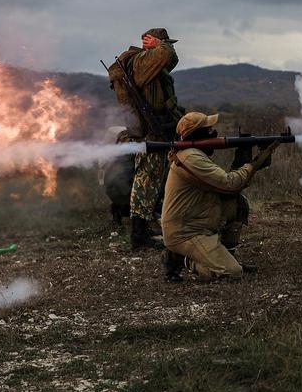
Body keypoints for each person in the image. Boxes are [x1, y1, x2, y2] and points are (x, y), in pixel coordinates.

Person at [161, 112, 277, 282]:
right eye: (208, 130)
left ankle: (227, 257)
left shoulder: (194, 153)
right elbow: (230, 184)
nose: (214, 133)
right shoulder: (190, 157)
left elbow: (225, 189)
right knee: (233, 273)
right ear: (196, 135)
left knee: (237, 203)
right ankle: (182, 259)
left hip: (197, 220)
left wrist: (243, 163)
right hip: (185, 232)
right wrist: (254, 164)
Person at [108, 28, 185, 249]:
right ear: (154, 44)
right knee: (146, 181)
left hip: (154, 130)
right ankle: (139, 236)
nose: (168, 48)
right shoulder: (142, 61)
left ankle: (144, 227)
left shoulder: (150, 62)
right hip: (148, 133)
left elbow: (170, 59)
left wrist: (162, 46)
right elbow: (165, 55)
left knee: (152, 180)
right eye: (164, 43)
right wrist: (160, 46)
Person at [97, 126, 134, 227]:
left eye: (129, 138)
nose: (130, 141)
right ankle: (117, 214)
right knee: (124, 201)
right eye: (126, 138)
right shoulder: (114, 159)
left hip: (126, 185)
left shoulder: (130, 155)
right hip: (117, 188)